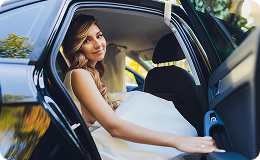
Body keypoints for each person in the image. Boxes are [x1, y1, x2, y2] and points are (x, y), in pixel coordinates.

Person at [62, 14, 223, 160]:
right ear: (76, 46)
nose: (98, 44)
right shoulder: (78, 74)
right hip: (96, 149)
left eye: (99, 36)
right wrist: (178, 141)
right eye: (86, 40)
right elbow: (113, 127)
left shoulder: (87, 75)